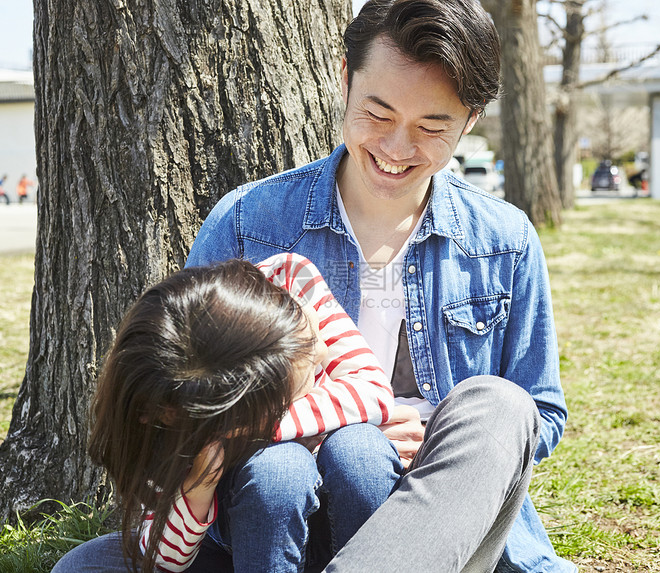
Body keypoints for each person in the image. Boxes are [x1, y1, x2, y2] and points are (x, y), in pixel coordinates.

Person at [185, 0, 575, 571]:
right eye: (378, 114)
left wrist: (437, 437)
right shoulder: (249, 222)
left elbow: (540, 413)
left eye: (431, 128)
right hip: (275, 507)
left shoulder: (505, 239)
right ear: (345, 79)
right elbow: (187, 388)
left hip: (434, 518)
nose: (396, 149)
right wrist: (314, 425)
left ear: (470, 120)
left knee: (499, 404)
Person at [52, 253, 395, 573]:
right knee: (279, 469)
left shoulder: (287, 279)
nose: (321, 352)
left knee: (359, 448)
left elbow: (373, 393)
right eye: (300, 378)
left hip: (345, 527)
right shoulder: (178, 407)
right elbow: (162, 558)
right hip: (242, 544)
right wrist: (201, 482)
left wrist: (247, 430)